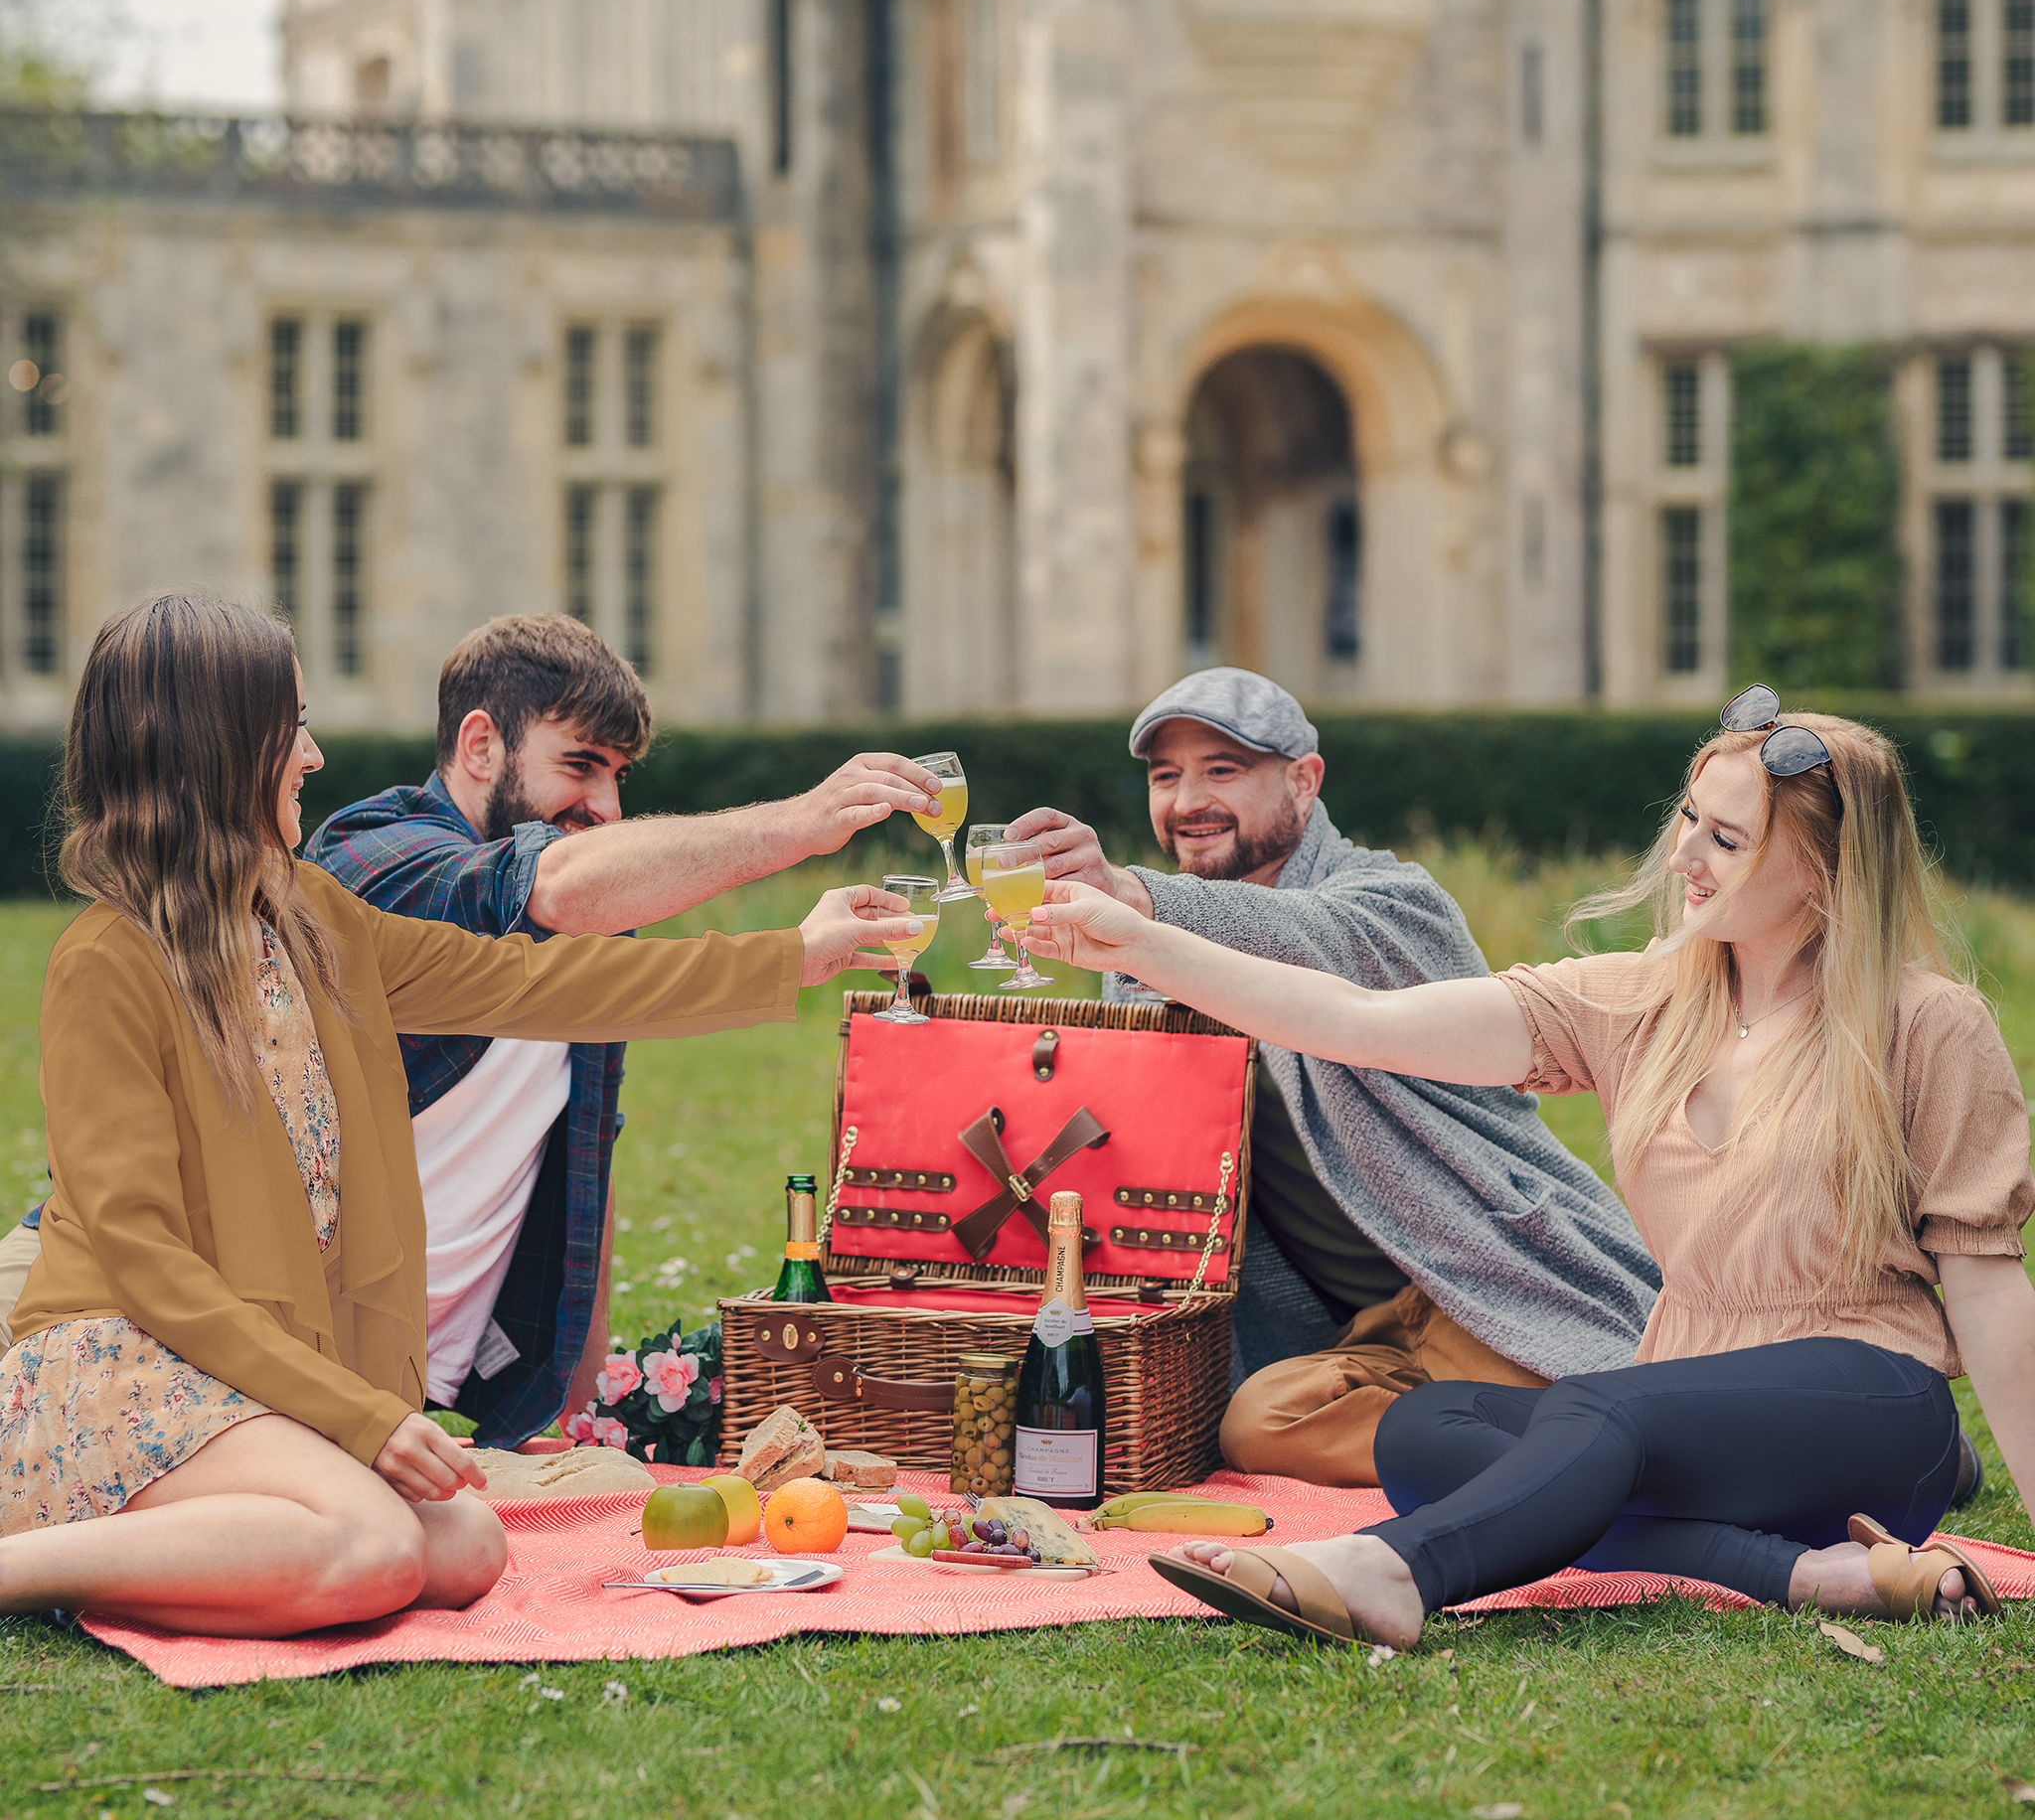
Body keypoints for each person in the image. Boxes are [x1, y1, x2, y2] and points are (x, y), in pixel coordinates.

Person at [1023, 692, 2033, 1640]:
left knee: (1591, 1411)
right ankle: (1804, 1574)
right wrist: (1140, 939)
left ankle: (1390, 1572)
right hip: (1692, 1415)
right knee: (1428, 1428)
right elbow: (1355, 1021)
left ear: (1817, 867)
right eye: (1687, 819)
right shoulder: (1640, 1002)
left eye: (1725, 839)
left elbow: (1988, 1287)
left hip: (1869, 1409)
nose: (1682, 854)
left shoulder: (1926, 1025)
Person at [0, 595, 910, 1636]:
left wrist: (794, 955)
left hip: (243, 1370)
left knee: (465, 1544)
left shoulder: (313, 922)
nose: (312, 752)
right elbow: (141, 1254)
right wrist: (366, 1420)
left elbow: (542, 985)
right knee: (377, 1547)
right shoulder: (105, 964)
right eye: (288, 725)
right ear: (218, 748)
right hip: (117, 1357)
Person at [1005, 668, 1663, 1487]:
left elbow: (1299, 939)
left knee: (1609, 1397)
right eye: (1165, 776)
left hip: (1486, 1280)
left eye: (1223, 769)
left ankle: (1594, 1451)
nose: (1186, 801)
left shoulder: (1392, 903)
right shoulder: (1144, 959)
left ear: (1305, 781)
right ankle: (1539, 1453)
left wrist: (1136, 898)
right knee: (1253, 1425)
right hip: (1369, 1337)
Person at [302, 615, 946, 1447]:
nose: (606, 807)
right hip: (305, 1361)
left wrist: (583, 1417)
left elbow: (583, 1165)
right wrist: (802, 824)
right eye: (579, 765)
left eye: (620, 775)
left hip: (457, 1392)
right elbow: (551, 887)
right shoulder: (372, 859)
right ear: (479, 745)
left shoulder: (600, 922)